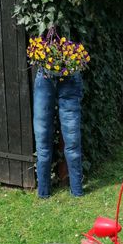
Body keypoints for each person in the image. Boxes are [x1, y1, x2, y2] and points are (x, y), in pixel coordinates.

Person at [33, 68, 84, 198]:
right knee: (43, 140)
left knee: (72, 142)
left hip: (71, 75)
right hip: (46, 75)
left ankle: (77, 191)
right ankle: (43, 192)